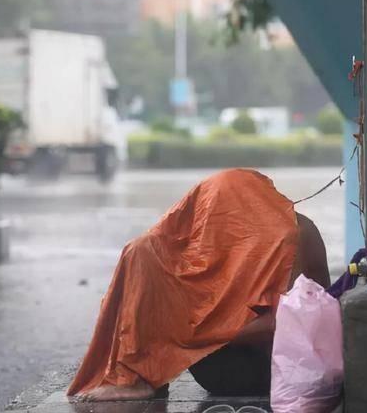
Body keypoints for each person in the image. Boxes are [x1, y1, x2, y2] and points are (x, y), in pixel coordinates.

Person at [68, 169, 330, 402]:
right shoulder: (221, 238)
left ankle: (146, 372)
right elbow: (161, 245)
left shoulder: (292, 235)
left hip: (280, 366)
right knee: (142, 251)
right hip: (223, 363)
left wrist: (199, 333)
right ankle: (139, 376)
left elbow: (295, 322)